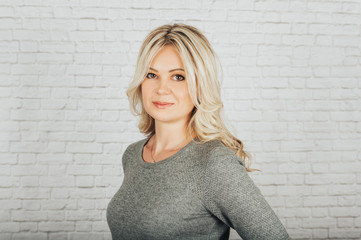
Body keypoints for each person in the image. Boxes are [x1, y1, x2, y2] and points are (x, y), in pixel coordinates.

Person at [106, 23, 290, 240]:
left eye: (178, 77)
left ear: (200, 85)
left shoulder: (214, 164)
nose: (161, 89)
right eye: (151, 75)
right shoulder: (133, 155)